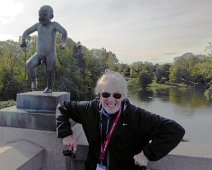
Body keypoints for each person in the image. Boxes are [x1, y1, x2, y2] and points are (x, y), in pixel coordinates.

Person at [56, 70, 185, 170]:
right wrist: (66, 134)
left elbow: (175, 130)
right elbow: (62, 107)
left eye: (117, 95)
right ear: (99, 95)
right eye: (105, 94)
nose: (111, 100)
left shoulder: (136, 115)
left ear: (123, 96)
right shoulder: (89, 109)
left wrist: (147, 154)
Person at [20, 5, 68, 93]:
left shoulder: (54, 25)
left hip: (50, 54)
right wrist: (23, 40)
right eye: (40, 15)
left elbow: (64, 32)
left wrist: (63, 42)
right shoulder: (38, 26)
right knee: (29, 64)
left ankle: (49, 87)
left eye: (45, 15)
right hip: (39, 54)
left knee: (50, 70)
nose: (41, 17)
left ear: (51, 16)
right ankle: (34, 81)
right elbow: (26, 32)